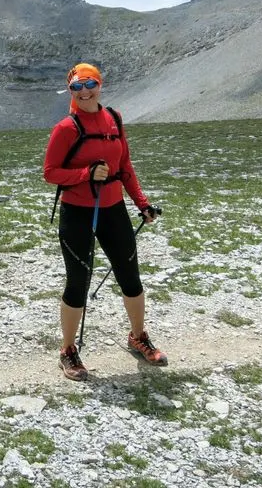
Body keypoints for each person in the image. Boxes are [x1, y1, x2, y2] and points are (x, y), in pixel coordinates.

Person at [43, 62, 165, 381]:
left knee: (130, 276)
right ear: (70, 91)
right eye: (76, 87)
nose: (84, 92)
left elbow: (125, 166)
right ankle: (68, 350)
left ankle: (138, 336)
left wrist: (142, 204)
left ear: (100, 85)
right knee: (78, 283)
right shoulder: (65, 128)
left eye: (90, 84)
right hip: (77, 212)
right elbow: (50, 173)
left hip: (113, 210)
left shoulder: (114, 119)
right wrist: (85, 174)